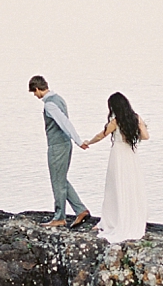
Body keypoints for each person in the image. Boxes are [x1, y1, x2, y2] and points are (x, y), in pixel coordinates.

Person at [81, 92, 149, 243]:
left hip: (118, 156)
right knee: (130, 186)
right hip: (130, 155)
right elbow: (145, 136)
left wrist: (88, 142)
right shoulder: (136, 118)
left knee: (115, 188)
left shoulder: (115, 121)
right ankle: (130, 217)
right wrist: (135, 131)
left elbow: (101, 135)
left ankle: (112, 220)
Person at [28, 75, 91, 228]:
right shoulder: (59, 99)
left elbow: (64, 123)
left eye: (34, 92)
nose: (35, 96)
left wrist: (78, 140)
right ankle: (80, 210)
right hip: (64, 144)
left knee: (57, 181)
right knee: (61, 179)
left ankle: (59, 217)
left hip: (57, 146)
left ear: (37, 89)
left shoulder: (49, 104)